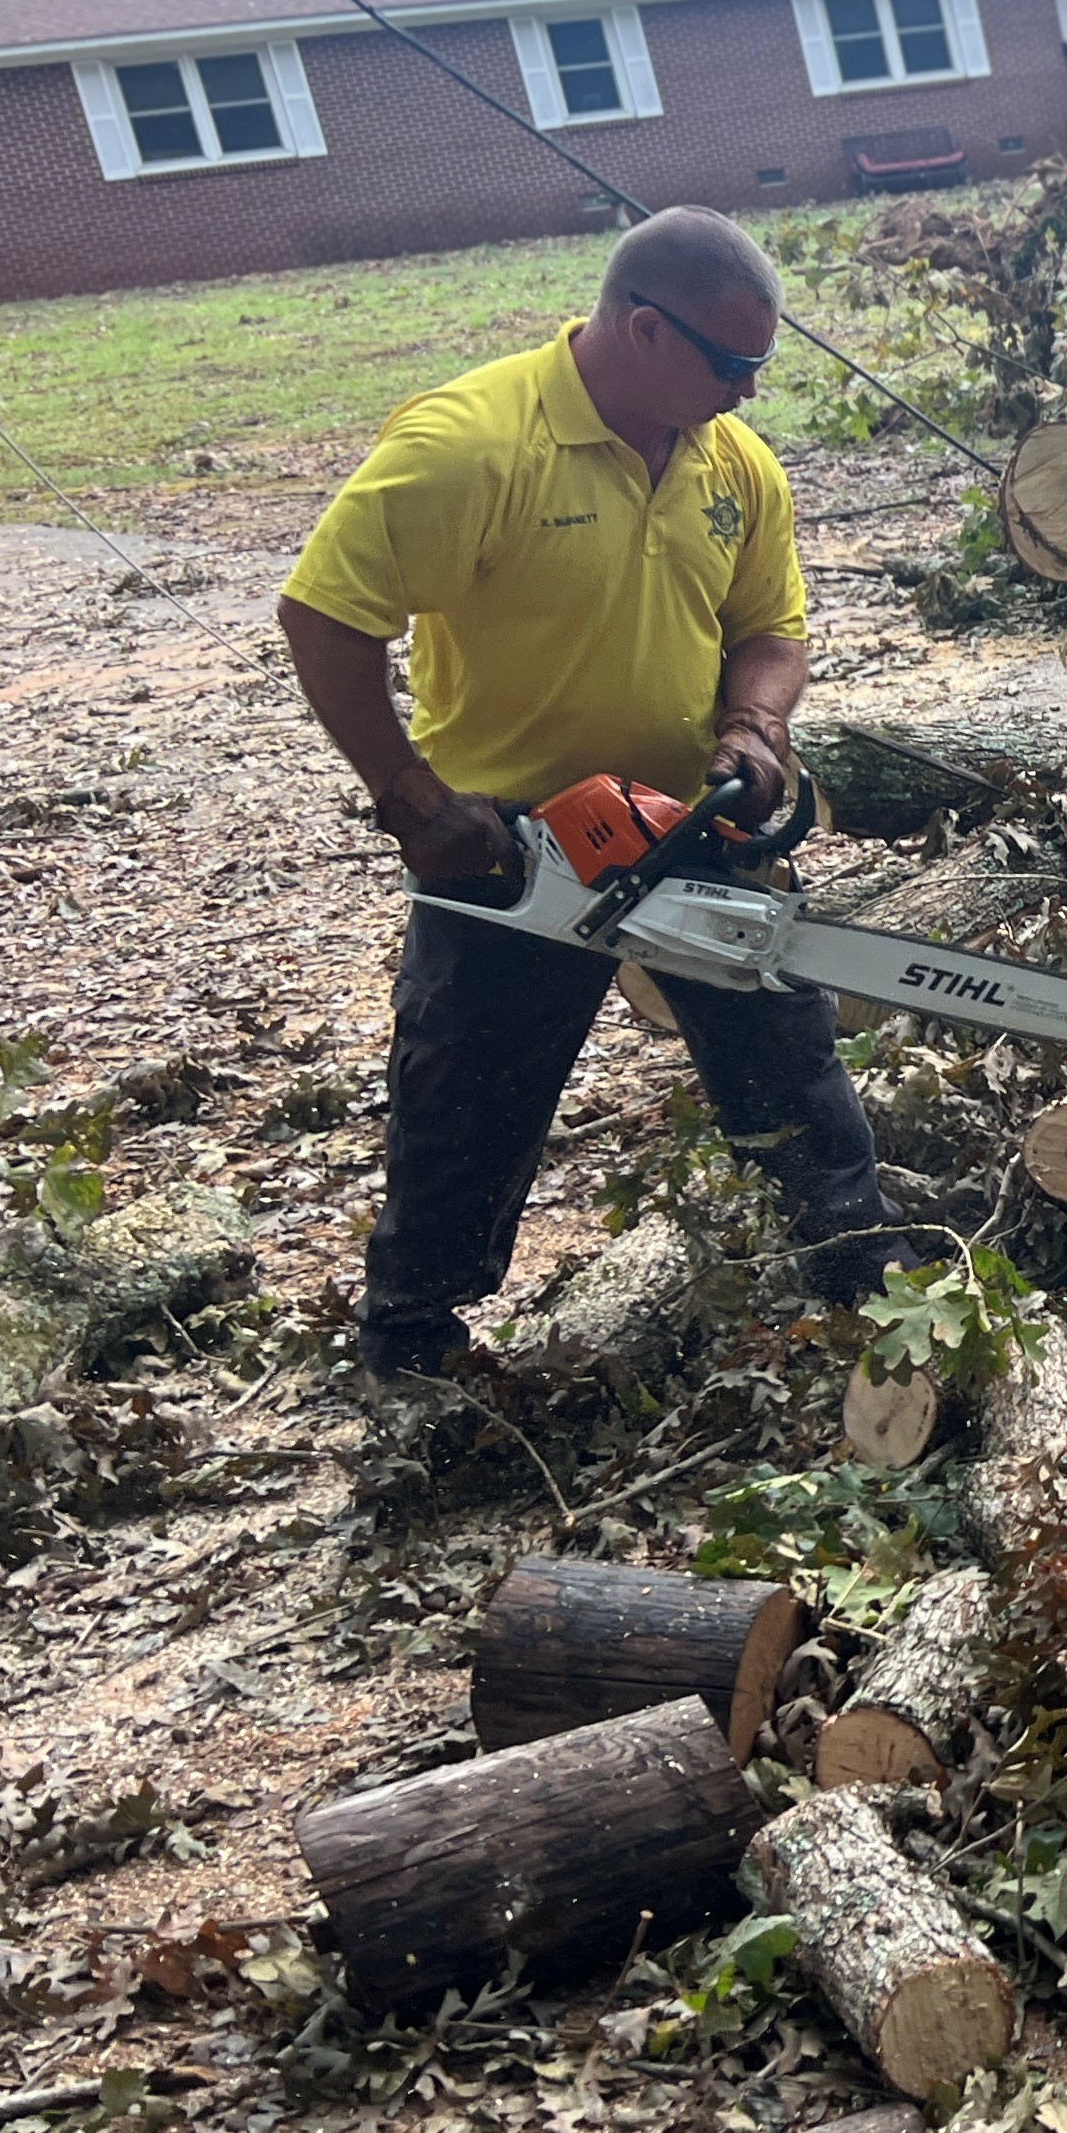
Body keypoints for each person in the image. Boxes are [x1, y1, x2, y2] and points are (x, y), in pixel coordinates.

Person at [277, 208, 896, 1384]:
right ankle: (412, 1335)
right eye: (732, 365)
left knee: (790, 1061)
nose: (749, 392)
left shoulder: (731, 462)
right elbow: (324, 613)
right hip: (513, 845)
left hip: (690, 820)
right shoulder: (472, 445)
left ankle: (860, 1268)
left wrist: (756, 727)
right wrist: (409, 796)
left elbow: (769, 623)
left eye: (762, 365)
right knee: (469, 1097)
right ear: (643, 328)